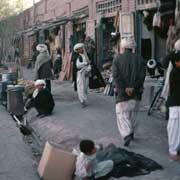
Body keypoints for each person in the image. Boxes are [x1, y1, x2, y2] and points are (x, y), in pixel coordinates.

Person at [112, 38, 146, 146]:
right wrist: (133, 87)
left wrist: (125, 87)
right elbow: (142, 76)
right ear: (133, 48)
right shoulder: (140, 59)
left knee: (122, 114)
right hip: (136, 92)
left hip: (122, 93)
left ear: (123, 47)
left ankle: (126, 134)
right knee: (134, 114)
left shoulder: (117, 59)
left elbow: (116, 76)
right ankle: (131, 133)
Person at [166, 52, 180, 161]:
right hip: (175, 103)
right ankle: (173, 151)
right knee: (174, 128)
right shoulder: (175, 72)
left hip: (176, 103)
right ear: (177, 62)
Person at [73, 43, 91, 107]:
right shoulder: (77, 56)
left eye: (81, 48)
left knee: (85, 87)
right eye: (80, 49)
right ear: (77, 50)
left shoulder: (85, 55)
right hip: (80, 73)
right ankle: (82, 100)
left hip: (86, 73)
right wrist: (86, 63)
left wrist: (88, 69)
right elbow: (78, 65)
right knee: (81, 87)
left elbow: (89, 63)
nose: (81, 49)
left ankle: (84, 99)